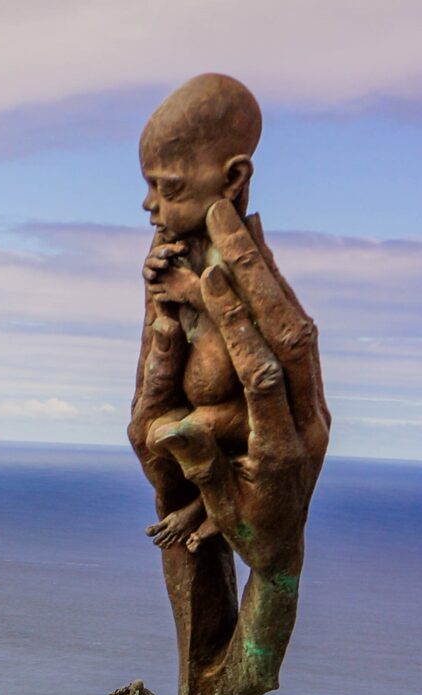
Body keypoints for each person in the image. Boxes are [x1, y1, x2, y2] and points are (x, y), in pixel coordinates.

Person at [130, 74, 263, 552]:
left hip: (243, 417)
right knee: (147, 431)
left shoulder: (242, 253)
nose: (150, 205)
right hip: (191, 403)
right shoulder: (179, 245)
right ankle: (197, 505)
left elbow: (265, 331)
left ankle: (211, 510)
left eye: (168, 187)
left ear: (232, 179)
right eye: (149, 186)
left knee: (190, 431)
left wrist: (191, 291)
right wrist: (156, 281)